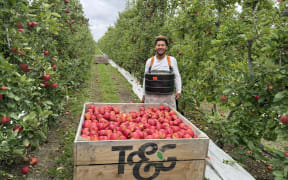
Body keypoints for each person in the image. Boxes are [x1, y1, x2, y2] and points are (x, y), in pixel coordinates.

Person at [141, 35, 182, 109]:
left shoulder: (172, 60)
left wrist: (179, 91)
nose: (160, 47)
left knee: (168, 117)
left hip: (167, 97)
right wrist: (144, 94)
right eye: (158, 45)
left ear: (166, 47)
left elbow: (177, 76)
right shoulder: (150, 61)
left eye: (163, 45)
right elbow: (145, 79)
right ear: (155, 47)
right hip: (152, 97)